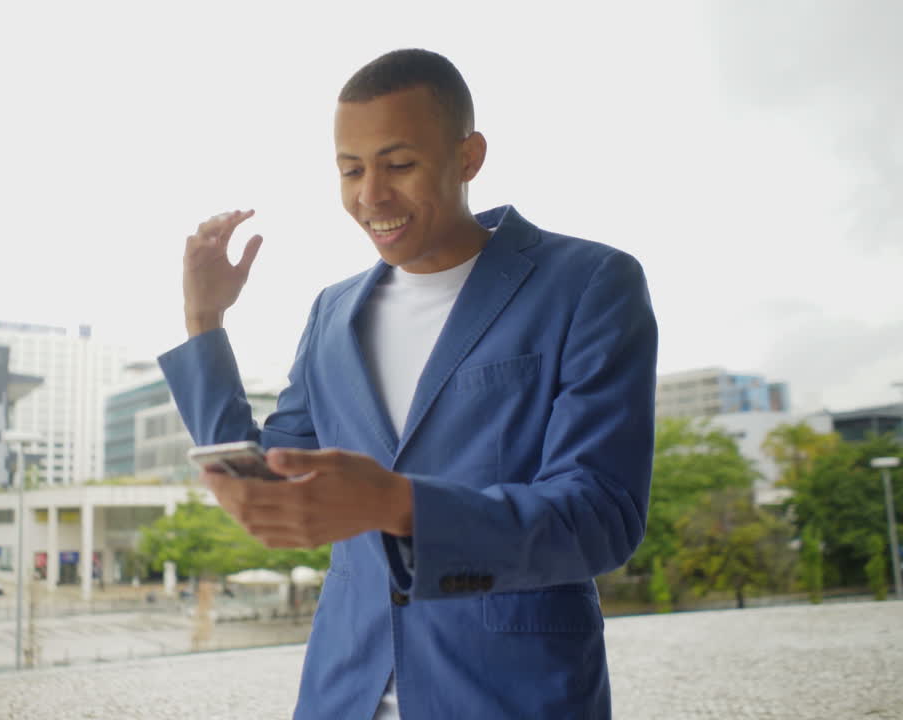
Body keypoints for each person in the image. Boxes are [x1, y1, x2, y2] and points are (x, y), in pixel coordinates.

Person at [158, 48, 657, 719]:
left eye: (399, 165)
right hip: (343, 694)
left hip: (514, 697)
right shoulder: (332, 313)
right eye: (350, 169)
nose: (371, 196)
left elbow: (599, 517)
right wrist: (204, 320)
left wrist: (400, 505)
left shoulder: (589, 284)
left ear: (469, 157)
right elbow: (274, 484)